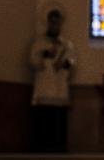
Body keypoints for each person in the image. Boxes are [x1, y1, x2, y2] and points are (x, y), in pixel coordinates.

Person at [29, 8, 76, 153]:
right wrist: (44, 54)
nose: (55, 25)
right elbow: (33, 61)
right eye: (52, 22)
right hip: (44, 87)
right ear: (48, 23)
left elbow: (73, 62)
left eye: (57, 22)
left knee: (58, 124)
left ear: (61, 24)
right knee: (44, 122)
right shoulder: (39, 43)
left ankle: (59, 149)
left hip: (59, 89)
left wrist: (65, 64)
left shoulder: (67, 45)